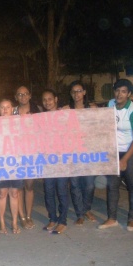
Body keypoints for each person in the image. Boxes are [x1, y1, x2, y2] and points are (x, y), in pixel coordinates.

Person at [99, 79, 133, 231]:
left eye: (124, 91)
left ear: (129, 94)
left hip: (132, 149)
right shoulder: (110, 104)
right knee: (112, 185)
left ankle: (132, 219)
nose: (120, 94)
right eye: (117, 90)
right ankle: (112, 218)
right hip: (115, 150)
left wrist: (125, 159)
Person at [64, 80, 97, 225]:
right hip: (73, 152)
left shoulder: (92, 108)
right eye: (73, 92)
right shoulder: (67, 110)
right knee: (76, 183)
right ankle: (79, 213)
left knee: (89, 184)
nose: (76, 94)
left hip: (89, 152)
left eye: (79, 91)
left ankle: (86, 208)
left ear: (84, 92)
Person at [13, 86, 42, 229]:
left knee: (29, 185)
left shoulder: (37, 110)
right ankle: (22, 217)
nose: (23, 96)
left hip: (32, 153)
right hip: (16, 153)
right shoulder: (12, 112)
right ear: (16, 97)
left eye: (25, 94)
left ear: (30, 95)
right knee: (18, 186)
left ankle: (29, 215)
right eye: (20, 94)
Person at [42, 89, 69, 234]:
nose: (47, 102)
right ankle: (52, 218)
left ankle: (63, 220)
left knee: (62, 191)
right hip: (47, 160)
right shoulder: (40, 117)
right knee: (49, 191)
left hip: (61, 159)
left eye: (50, 99)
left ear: (56, 99)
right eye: (44, 100)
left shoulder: (64, 115)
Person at [0, 99, 21, 234]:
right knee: (2, 193)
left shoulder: (19, 124)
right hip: (0, 164)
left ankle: (14, 222)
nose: (5, 110)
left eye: (8, 107)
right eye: (2, 107)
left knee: (14, 193)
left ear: (12, 109)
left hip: (15, 163)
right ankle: (2, 222)